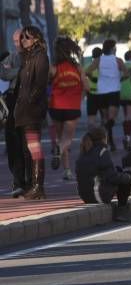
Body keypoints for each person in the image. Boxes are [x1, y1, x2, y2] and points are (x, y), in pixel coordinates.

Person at [14, 26, 50, 200]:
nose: (23, 41)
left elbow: (40, 84)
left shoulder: (41, 57)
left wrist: (30, 102)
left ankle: (38, 186)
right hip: (22, 111)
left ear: (36, 38)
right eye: (22, 38)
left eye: (26, 37)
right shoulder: (26, 58)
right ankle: (32, 185)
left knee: (34, 147)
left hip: (32, 111)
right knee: (28, 149)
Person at [48, 36, 90, 180]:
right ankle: (62, 159)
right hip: (72, 107)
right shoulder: (77, 68)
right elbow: (87, 87)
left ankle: (67, 170)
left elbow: (44, 85)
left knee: (60, 138)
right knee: (67, 139)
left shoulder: (53, 68)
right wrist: (80, 94)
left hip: (55, 106)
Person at [75, 127, 131, 222]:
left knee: (118, 170)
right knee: (127, 176)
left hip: (85, 196)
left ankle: (123, 208)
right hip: (99, 195)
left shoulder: (83, 152)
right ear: (103, 138)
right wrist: (127, 177)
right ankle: (122, 209)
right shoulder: (102, 151)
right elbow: (112, 177)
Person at [0, 28, 31, 198]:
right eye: (14, 41)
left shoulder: (35, 56)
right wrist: (19, 71)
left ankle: (30, 181)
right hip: (12, 101)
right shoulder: (11, 57)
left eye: (19, 40)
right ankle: (18, 181)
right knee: (13, 143)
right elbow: (3, 73)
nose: (17, 44)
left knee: (28, 144)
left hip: (28, 102)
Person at [86, 39, 128, 151]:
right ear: (113, 48)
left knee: (105, 118)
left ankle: (107, 142)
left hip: (101, 92)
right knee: (112, 118)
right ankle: (107, 138)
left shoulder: (99, 60)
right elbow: (126, 73)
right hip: (114, 90)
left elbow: (87, 71)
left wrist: (94, 78)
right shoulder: (118, 60)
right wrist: (120, 79)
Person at [120, 50, 131, 150]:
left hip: (121, 93)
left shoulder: (121, 66)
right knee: (130, 117)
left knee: (126, 116)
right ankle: (128, 138)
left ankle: (126, 136)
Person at [86, 47, 103, 128]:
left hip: (91, 93)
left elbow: (84, 76)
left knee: (91, 119)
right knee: (105, 117)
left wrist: (91, 78)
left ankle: (92, 136)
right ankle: (105, 136)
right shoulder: (104, 66)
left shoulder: (87, 66)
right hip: (103, 93)